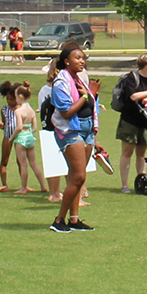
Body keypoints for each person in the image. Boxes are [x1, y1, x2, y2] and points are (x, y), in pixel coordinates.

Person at [48, 46, 98, 233]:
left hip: (86, 130)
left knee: (76, 177)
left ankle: (74, 220)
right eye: (77, 58)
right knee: (78, 176)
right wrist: (85, 96)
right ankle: (59, 220)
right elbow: (67, 111)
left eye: (83, 58)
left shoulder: (79, 79)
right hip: (70, 131)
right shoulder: (61, 82)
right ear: (66, 61)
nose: (82, 61)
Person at [113, 54, 147, 194]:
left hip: (146, 120)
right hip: (130, 120)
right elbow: (134, 96)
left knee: (141, 153)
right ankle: (124, 185)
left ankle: (142, 183)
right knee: (127, 152)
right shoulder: (132, 77)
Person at [8, 83, 45, 194]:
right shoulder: (31, 110)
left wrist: (12, 137)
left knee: (23, 164)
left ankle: (24, 187)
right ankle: (43, 185)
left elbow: (19, 127)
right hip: (30, 137)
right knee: (34, 163)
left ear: (20, 97)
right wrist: (29, 133)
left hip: (21, 139)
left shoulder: (18, 111)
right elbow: (34, 127)